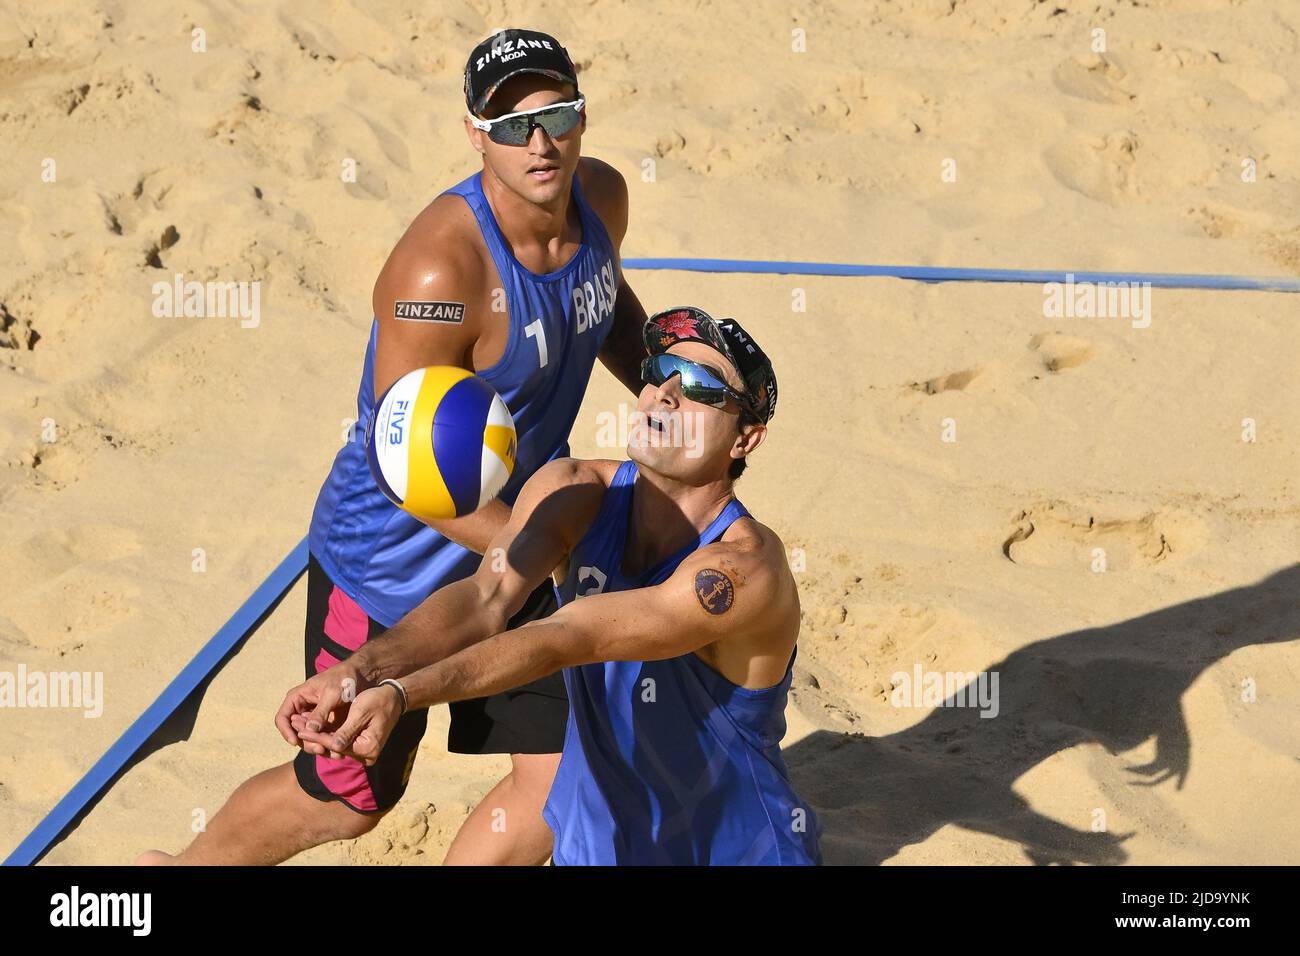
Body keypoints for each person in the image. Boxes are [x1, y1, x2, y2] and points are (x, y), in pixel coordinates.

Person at [139, 28, 651, 865]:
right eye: (511, 122)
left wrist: (666, 383)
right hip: (392, 567)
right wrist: (531, 548)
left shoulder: (604, 202)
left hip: (514, 551)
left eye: (555, 114)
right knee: (347, 800)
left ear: (582, 115)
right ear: (473, 132)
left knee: (563, 778)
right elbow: (398, 462)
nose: (539, 141)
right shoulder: (437, 272)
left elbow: (606, 305)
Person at [284, 307, 823, 865]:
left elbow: (570, 637)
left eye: (700, 387)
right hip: (595, 850)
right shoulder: (572, 490)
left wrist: (403, 693)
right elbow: (482, 599)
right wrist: (361, 670)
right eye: (660, 369)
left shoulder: (741, 571)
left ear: (746, 439)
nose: (665, 393)